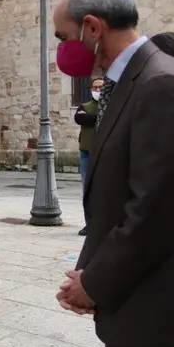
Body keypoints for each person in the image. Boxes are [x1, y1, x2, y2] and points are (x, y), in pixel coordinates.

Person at [54, 0, 174, 347]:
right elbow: (114, 195)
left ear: (92, 28)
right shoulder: (133, 81)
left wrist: (94, 285)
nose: (60, 49)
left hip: (161, 320)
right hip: (138, 305)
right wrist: (88, 270)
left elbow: (153, 214)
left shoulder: (161, 84)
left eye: (63, 36)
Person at [73, 76, 103, 236]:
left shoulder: (111, 105)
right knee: (87, 191)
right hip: (86, 154)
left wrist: (91, 118)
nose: (98, 90)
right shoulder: (85, 105)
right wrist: (98, 118)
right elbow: (79, 118)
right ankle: (89, 223)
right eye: (95, 87)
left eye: (100, 87)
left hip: (104, 155)